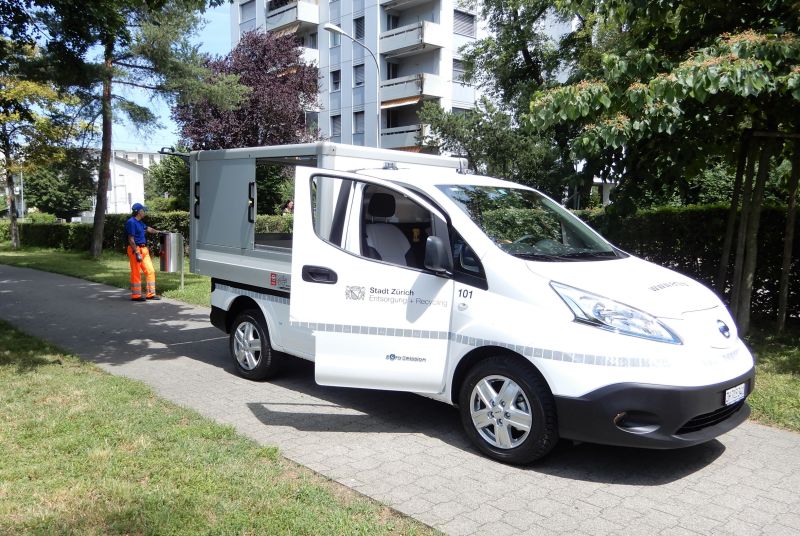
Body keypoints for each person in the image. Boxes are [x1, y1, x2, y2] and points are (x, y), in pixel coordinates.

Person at [125, 203, 162, 302]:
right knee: (136, 272)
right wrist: (137, 252)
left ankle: (150, 294)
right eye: (143, 210)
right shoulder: (131, 222)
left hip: (144, 249)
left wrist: (159, 232)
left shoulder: (140, 222)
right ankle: (136, 296)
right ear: (138, 212)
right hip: (135, 249)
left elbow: (148, 229)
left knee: (150, 271)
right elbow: (131, 239)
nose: (144, 212)